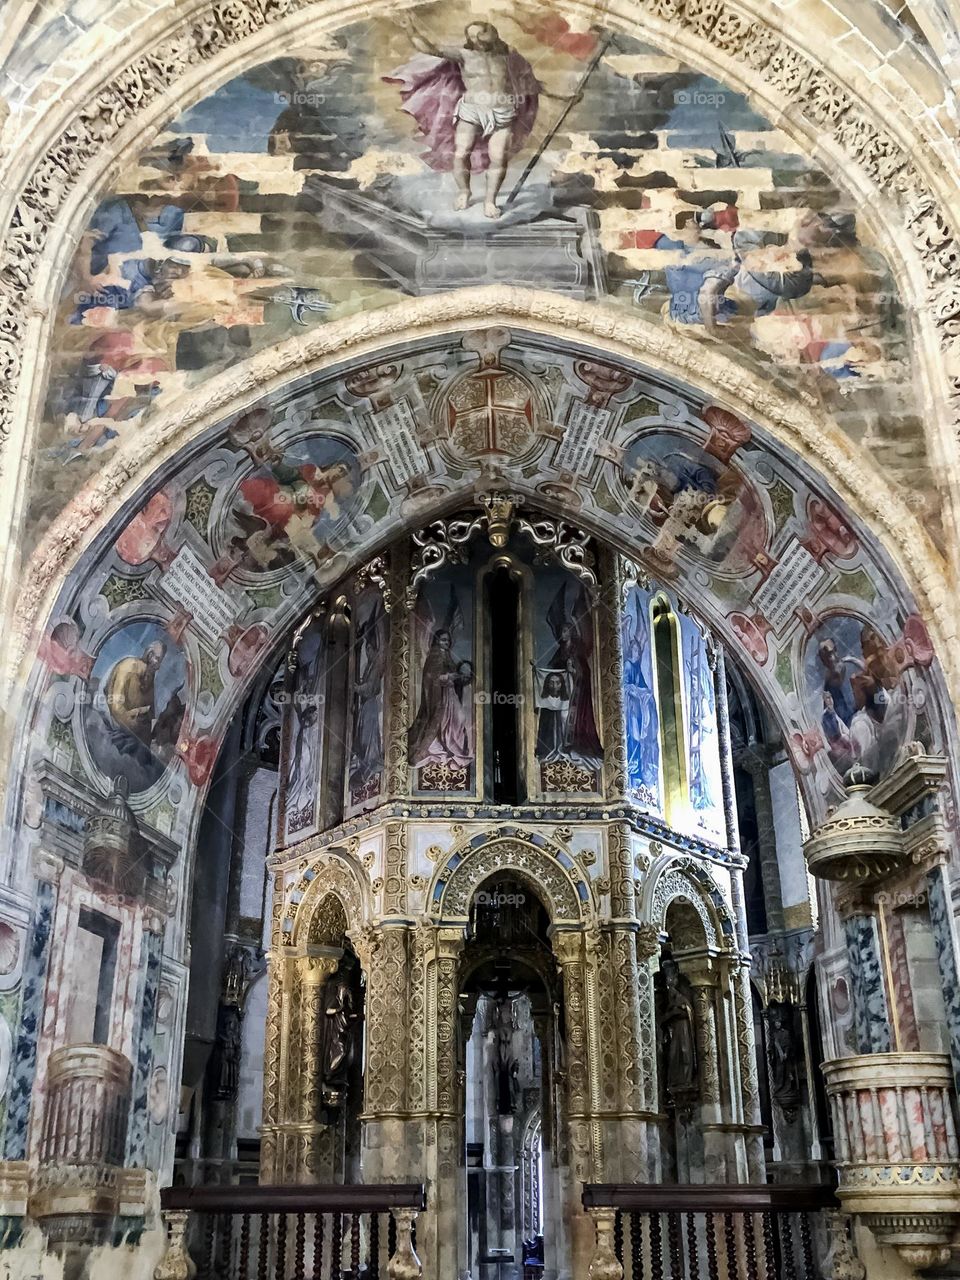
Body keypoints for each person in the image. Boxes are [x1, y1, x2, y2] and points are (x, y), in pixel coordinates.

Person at [388, 18, 543, 218]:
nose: (476, 38)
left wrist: (564, 97)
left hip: (502, 112)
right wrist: (409, 28)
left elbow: (530, 82)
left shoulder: (509, 56)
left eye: (479, 33)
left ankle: (490, 201)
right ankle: (464, 191)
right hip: (471, 110)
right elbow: (430, 48)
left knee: (499, 159)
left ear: (491, 33)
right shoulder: (464, 54)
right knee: (461, 154)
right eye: (471, 35)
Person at [408, 628, 474, 768]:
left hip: (449, 695)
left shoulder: (446, 655)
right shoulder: (435, 655)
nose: (447, 643)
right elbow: (433, 677)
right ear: (437, 641)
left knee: (459, 719)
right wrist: (451, 677)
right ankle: (443, 748)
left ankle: (453, 748)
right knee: (447, 722)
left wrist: (459, 676)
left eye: (448, 640)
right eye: (444, 640)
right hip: (441, 698)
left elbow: (450, 672)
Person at [103, 639, 166, 744]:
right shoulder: (129, 667)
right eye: (158, 659)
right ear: (150, 655)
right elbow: (116, 708)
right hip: (113, 730)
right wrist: (136, 726)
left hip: (134, 736)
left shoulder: (149, 678)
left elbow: (151, 713)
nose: (158, 666)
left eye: (160, 661)